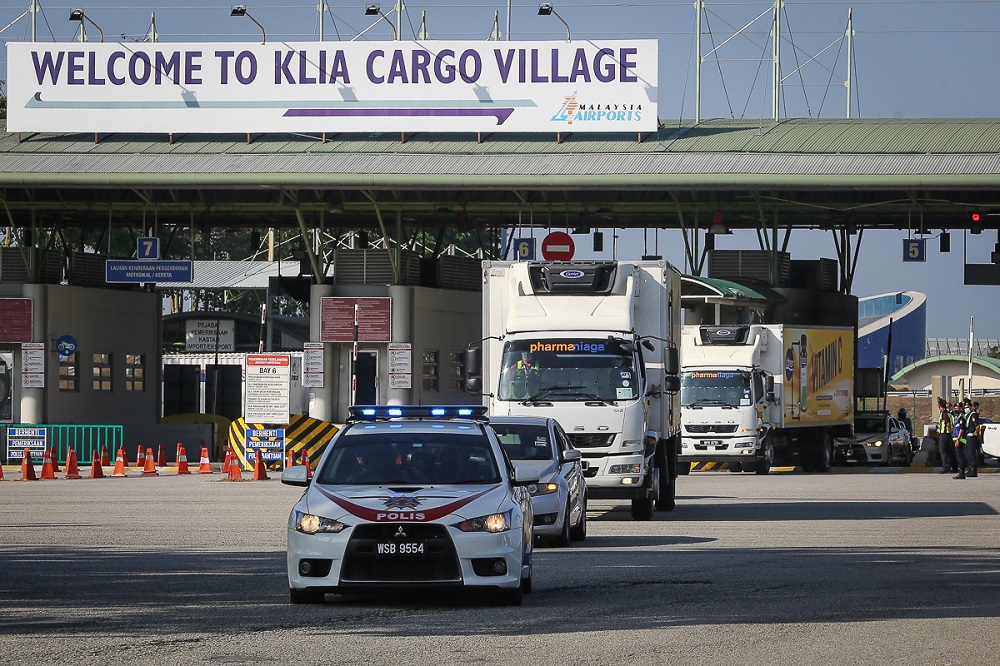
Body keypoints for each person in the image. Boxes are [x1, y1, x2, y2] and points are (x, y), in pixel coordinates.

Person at [937, 398, 957, 474]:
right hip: (947, 435)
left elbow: (947, 423)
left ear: (940, 406)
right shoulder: (948, 413)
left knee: (943, 451)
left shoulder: (944, 413)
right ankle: (954, 466)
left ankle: (946, 467)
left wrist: (950, 431)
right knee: (950, 452)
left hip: (944, 434)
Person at [961, 399, 981, 478]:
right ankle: (970, 468)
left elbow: (977, 426)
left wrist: (977, 435)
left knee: (971, 454)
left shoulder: (973, 415)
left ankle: (973, 470)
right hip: (968, 436)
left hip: (972, 436)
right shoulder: (968, 415)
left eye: (967, 407)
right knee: (968, 454)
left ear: (970, 407)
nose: (966, 408)